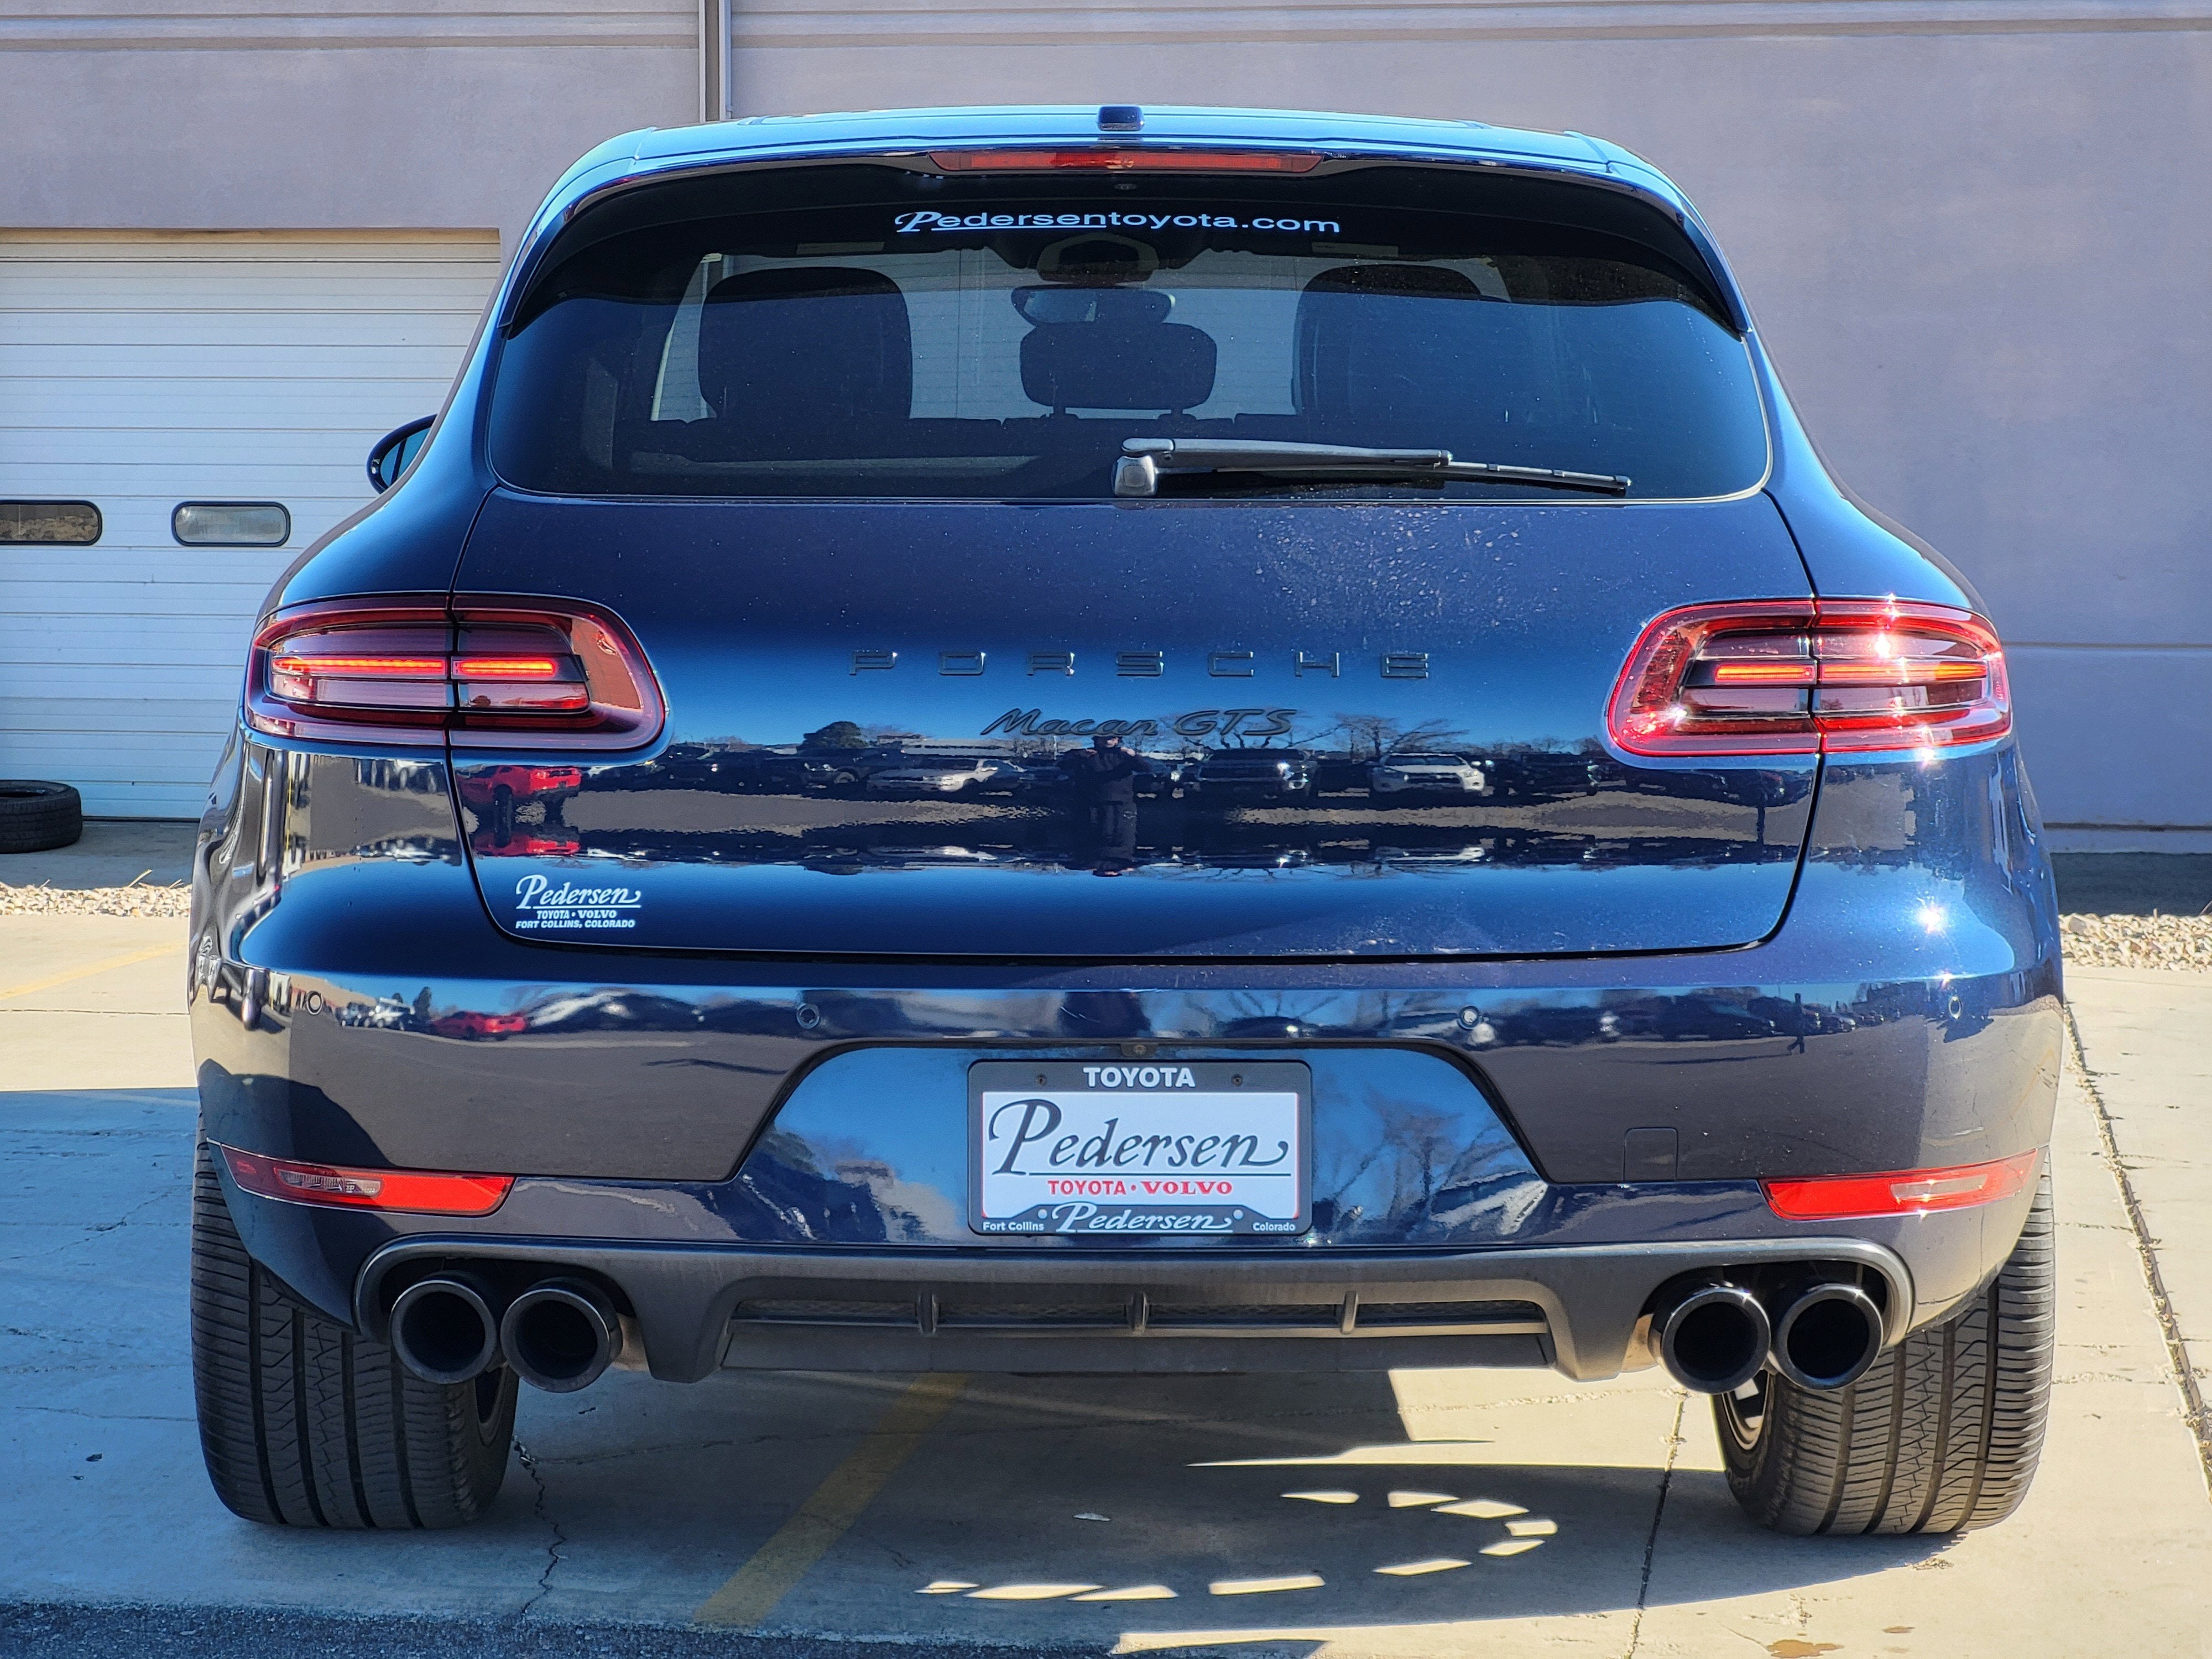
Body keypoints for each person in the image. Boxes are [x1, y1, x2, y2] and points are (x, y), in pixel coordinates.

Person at [1058, 732, 1149, 869]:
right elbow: (1063, 764)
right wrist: (1081, 753)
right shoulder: (1088, 756)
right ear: (1097, 740)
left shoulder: (1123, 756)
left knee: (1122, 834)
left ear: (1118, 741)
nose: (1109, 740)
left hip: (1122, 803)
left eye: (1113, 738)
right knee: (1094, 834)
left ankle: (1118, 858)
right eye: (1105, 737)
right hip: (1092, 803)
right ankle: (1094, 856)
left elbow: (1145, 768)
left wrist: (1133, 754)